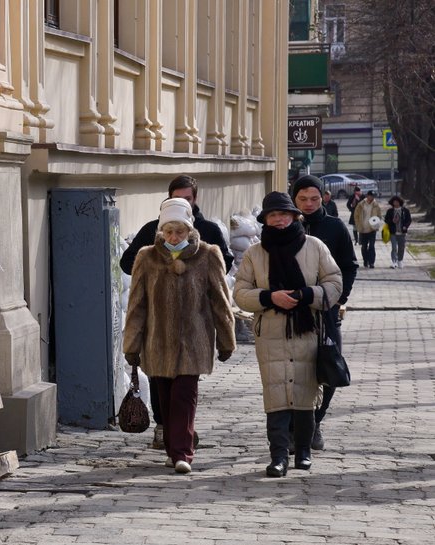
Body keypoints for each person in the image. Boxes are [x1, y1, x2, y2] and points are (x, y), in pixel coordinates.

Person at [119, 175, 234, 449]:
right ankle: (166, 429)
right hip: (157, 331)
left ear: (195, 199)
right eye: (177, 196)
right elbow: (129, 269)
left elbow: (223, 272)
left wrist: (199, 285)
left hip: (194, 329)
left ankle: (181, 443)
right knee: (162, 387)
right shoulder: (152, 233)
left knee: (185, 390)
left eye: (188, 198)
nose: (174, 236)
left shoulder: (208, 232)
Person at [233, 192, 342, 477]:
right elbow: (240, 293)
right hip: (270, 333)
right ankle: (278, 455)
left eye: (284, 214)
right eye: (273, 216)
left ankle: (303, 452)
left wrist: (307, 294)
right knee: (277, 394)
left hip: (308, 332)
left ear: (295, 217)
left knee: (305, 393)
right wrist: (270, 297)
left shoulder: (314, 246)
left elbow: (334, 282)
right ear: (266, 221)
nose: (279, 220)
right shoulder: (255, 253)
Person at [291, 175, 358, 450]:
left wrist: (339, 298)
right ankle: (294, 428)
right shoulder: (286, 226)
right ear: (294, 199)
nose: (308, 204)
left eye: (314, 199)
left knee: (330, 367)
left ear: (323, 198)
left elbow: (349, 265)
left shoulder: (334, 227)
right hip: (292, 310)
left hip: (327, 311)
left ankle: (316, 422)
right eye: (303, 199)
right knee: (294, 370)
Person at [353, 190, 382, 268]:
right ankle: (365, 261)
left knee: (372, 246)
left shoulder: (376, 205)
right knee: (364, 246)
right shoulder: (361, 204)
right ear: (367, 196)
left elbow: (379, 215)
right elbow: (356, 215)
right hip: (363, 228)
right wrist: (358, 224)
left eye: (372, 196)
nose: (371, 197)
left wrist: (376, 223)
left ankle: (371, 262)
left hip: (372, 229)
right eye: (370, 196)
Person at [384, 196, 412, 268]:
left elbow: (409, 220)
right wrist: (392, 221)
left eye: (397, 201)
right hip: (393, 232)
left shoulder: (405, 211)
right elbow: (386, 220)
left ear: (400, 202)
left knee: (401, 247)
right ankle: (394, 262)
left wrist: (406, 226)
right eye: (394, 202)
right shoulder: (390, 211)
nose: (395, 203)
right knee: (394, 247)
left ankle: (400, 261)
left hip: (402, 232)